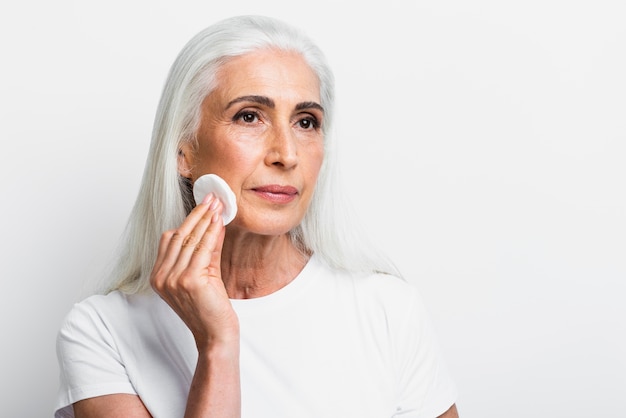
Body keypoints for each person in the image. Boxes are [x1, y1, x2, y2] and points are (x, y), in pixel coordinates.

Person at [54, 15, 459, 418]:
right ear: (184, 151)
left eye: (306, 122)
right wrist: (218, 345)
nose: (286, 154)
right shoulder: (101, 331)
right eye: (249, 116)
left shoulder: (389, 309)